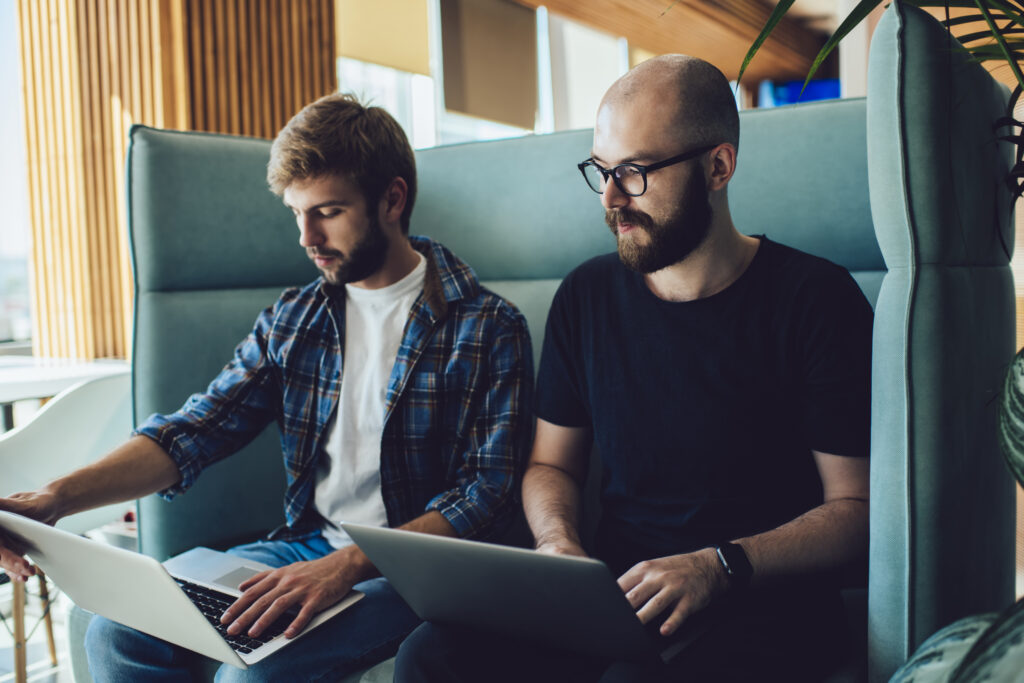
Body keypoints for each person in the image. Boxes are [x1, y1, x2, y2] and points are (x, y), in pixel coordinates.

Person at [0, 93, 533, 681]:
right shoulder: (294, 318)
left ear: (392, 198)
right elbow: (195, 430)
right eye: (295, 212)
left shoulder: (487, 325)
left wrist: (347, 566)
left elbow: (487, 495)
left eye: (327, 211)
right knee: (117, 635)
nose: (306, 237)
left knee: (251, 674)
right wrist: (54, 499)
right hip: (303, 548)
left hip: (421, 578)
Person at [394, 54, 872, 682]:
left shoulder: (816, 299)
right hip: (616, 599)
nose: (612, 199)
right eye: (601, 170)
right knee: (431, 655)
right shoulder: (586, 298)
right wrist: (557, 544)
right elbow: (550, 465)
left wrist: (717, 567)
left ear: (719, 167)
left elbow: (858, 508)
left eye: (635, 172)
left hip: (760, 603)